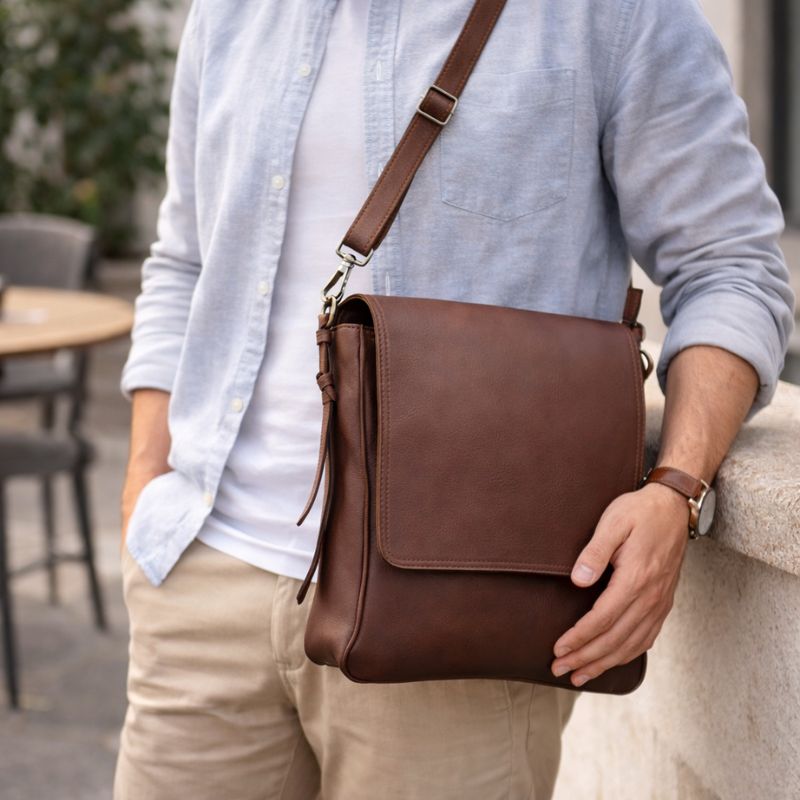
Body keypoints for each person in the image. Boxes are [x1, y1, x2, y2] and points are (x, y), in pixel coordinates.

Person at [113, 0, 795, 798]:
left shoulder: (613, 16)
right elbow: (184, 259)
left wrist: (677, 487)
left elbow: (732, 268)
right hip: (205, 582)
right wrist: (145, 478)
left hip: (460, 609)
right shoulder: (231, 12)